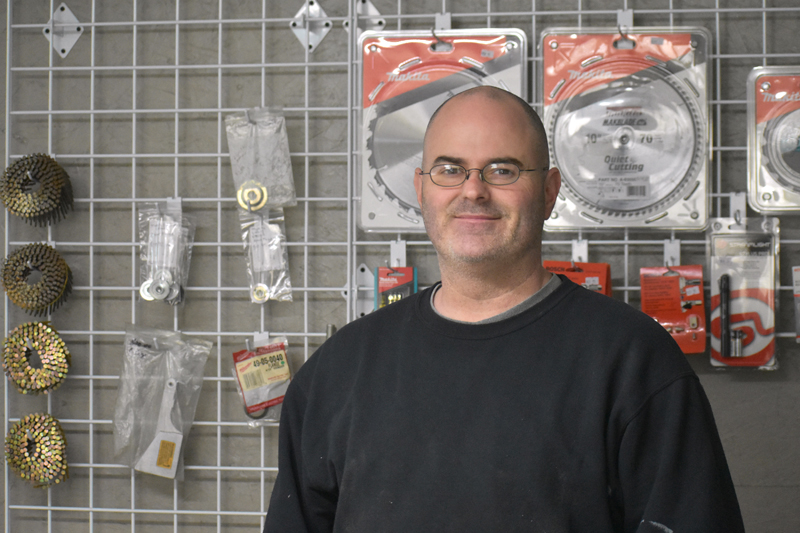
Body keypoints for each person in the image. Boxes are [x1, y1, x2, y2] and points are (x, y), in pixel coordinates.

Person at [263, 86, 744, 532]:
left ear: (550, 191)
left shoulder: (632, 361)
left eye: (502, 170)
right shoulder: (339, 371)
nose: (473, 190)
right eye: (450, 170)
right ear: (421, 188)